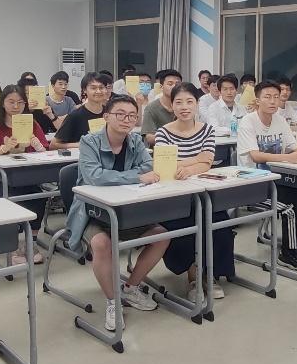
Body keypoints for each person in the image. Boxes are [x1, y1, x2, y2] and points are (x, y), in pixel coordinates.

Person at [64, 94, 168, 332]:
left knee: (162, 236)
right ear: (106, 116)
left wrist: (133, 176)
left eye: (131, 116)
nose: (126, 120)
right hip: (93, 211)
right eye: (120, 114)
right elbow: (94, 176)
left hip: (126, 209)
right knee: (101, 243)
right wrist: (136, 177)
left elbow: (148, 166)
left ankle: (130, 288)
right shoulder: (89, 142)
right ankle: (113, 301)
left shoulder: (135, 141)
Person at [154, 83, 232, 303]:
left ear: (197, 104)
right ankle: (193, 277)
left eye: (189, 102)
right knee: (186, 229)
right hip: (174, 197)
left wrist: (187, 166)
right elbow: (165, 165)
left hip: (203, 193)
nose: (184, 107)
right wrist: (196, 159)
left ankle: (211, 274)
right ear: (172, 105)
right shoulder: (163, 132)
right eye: (178, 102)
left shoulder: (207, 130)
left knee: (220, 225)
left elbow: (207, 162)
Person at [236, 81, 297, 269]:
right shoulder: (248, 121)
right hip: (252, 185)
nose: (273, 101)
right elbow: (256, 156)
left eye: (276, 97)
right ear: (258, 100)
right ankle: (289, 254)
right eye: (267, 97)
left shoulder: (280, 120)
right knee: (290, 209)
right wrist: (289, 157)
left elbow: (294, 147)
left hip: (277, 181)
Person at [0, 85, 48, 264]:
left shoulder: (32, 124)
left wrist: (38, 146)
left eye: (20, 102)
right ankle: (14, 246)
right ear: (2, 103)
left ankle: (31, 243)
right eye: (11, 102)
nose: (16, 106)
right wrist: (3, 149)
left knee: (39, 198)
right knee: (8, 200)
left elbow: (46, 152)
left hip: (25, 178)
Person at [51, 72, 111, 150]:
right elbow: (53, 145)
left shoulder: (111, 113)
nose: (98, 91)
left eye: (101, 87)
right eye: (93, 88)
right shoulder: (75, 116)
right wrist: (81, 144)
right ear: (84, 90)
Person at [140, 68, 181, 146]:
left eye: (177, 84)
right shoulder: (151, 108)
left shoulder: (185, 106)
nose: (174, 86)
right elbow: (149, 138)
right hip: (162, 150)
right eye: (170, 84)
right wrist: (173, 138)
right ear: (161, 87)